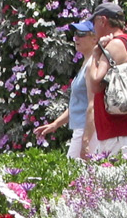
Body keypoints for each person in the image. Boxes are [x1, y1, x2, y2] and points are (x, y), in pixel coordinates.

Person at [82, 0, 127, 159]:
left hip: (120, 132)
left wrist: (96, 54)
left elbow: (96, 84)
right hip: (122, 130)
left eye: (94, 23)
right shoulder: (125, 42)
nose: (93, 29)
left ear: (102, 21)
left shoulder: (115, 45)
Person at [34, 21, 99, 159]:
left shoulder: (92, 65)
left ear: (95, 38)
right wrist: (55, 124)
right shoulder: (86, 64)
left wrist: (86, 139)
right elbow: (79, 103)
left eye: (81, 34)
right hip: (82, 129)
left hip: (87, 130)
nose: (76, 38)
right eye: (75, 34)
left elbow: (93, 104)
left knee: (74, 175)